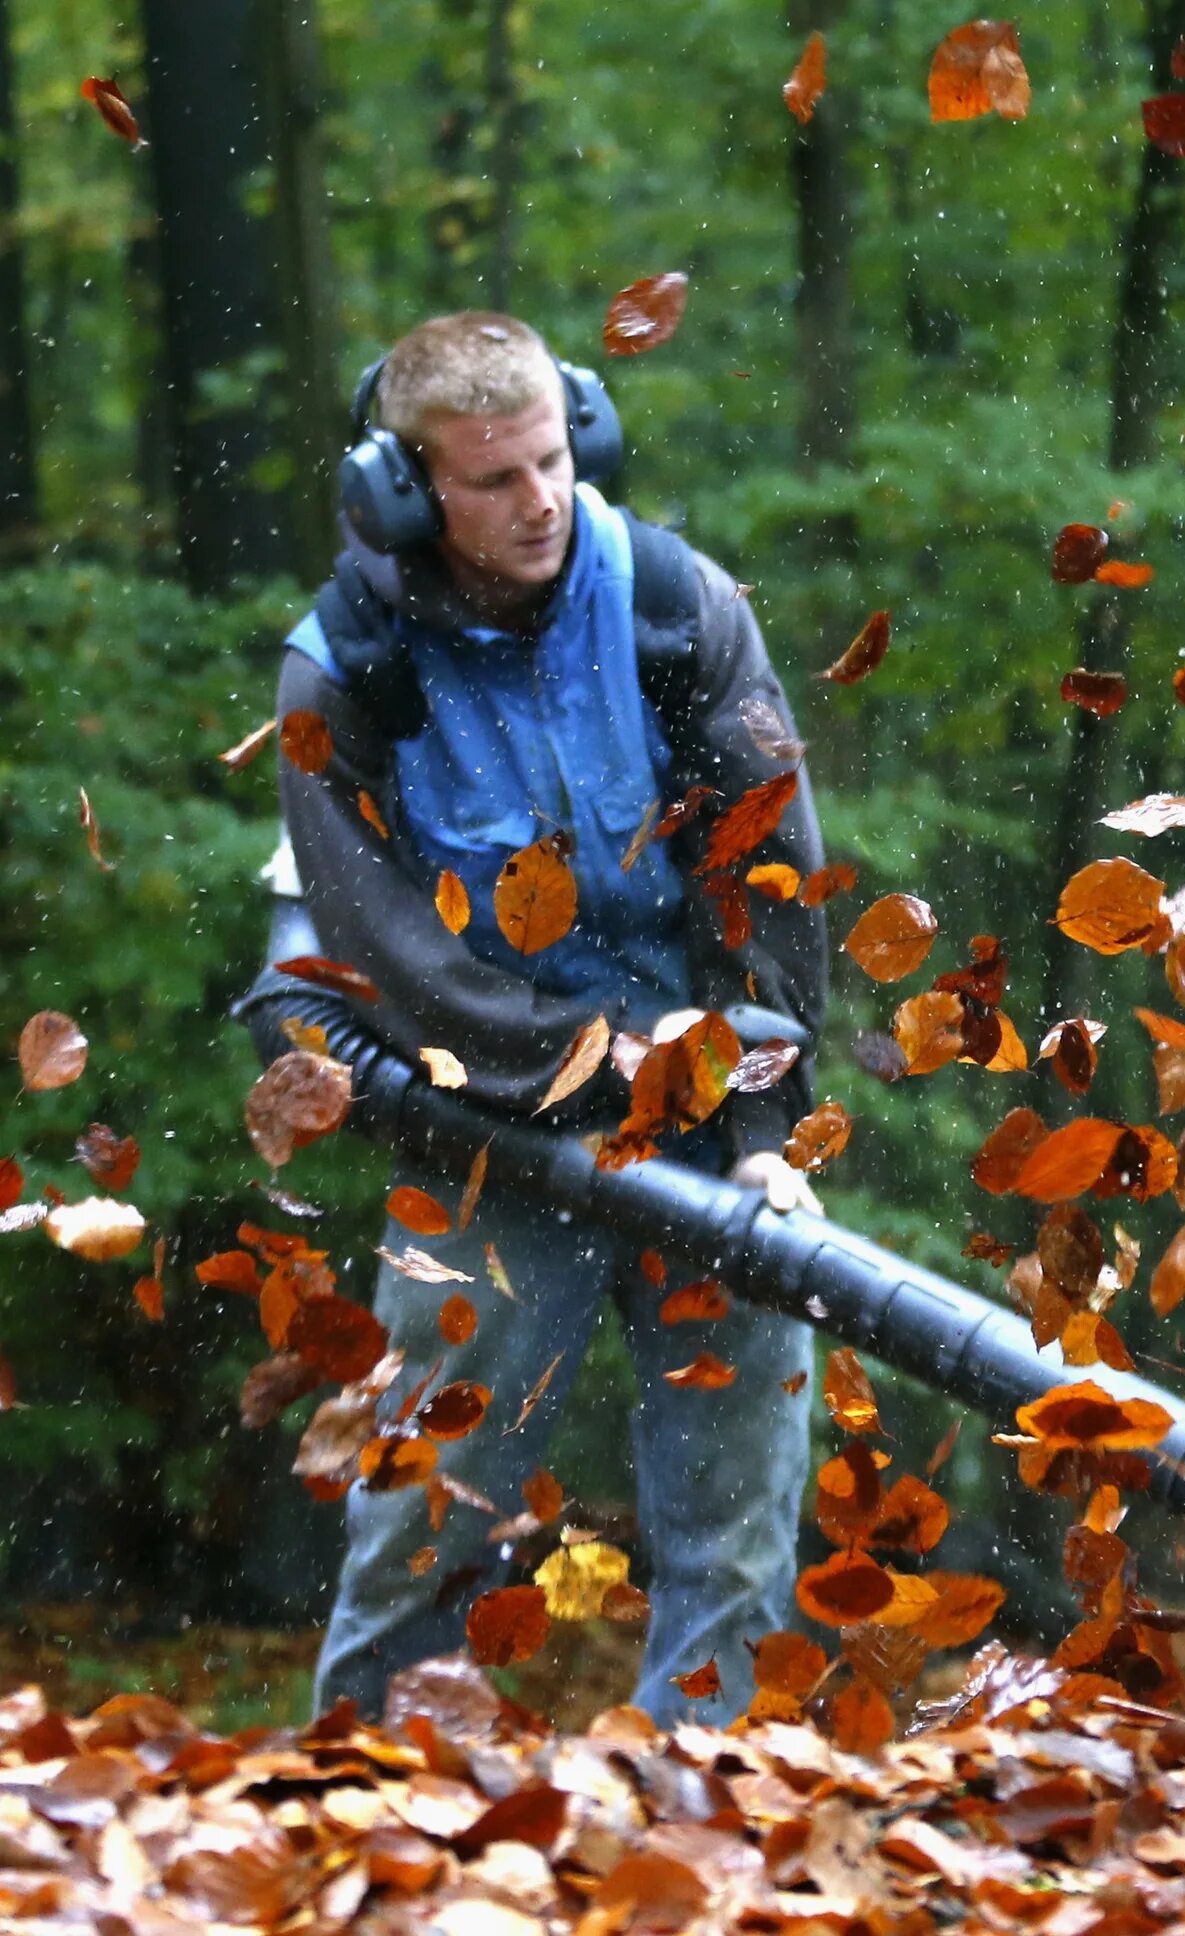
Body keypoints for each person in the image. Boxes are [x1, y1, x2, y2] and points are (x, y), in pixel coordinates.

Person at [270, 312, 830, 1725]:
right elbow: (382, 949)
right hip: (482, 1124)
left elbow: (770, 878)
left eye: (552, 462)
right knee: (427, 1513)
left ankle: (713, 1829)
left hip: (707, 1112)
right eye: (494, 480)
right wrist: (584, 1063)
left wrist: (761, 1122)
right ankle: (364, 1819)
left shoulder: (674, 605)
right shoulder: (341, 674)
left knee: (735, 1519)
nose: (541, 503)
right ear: (404, 492)